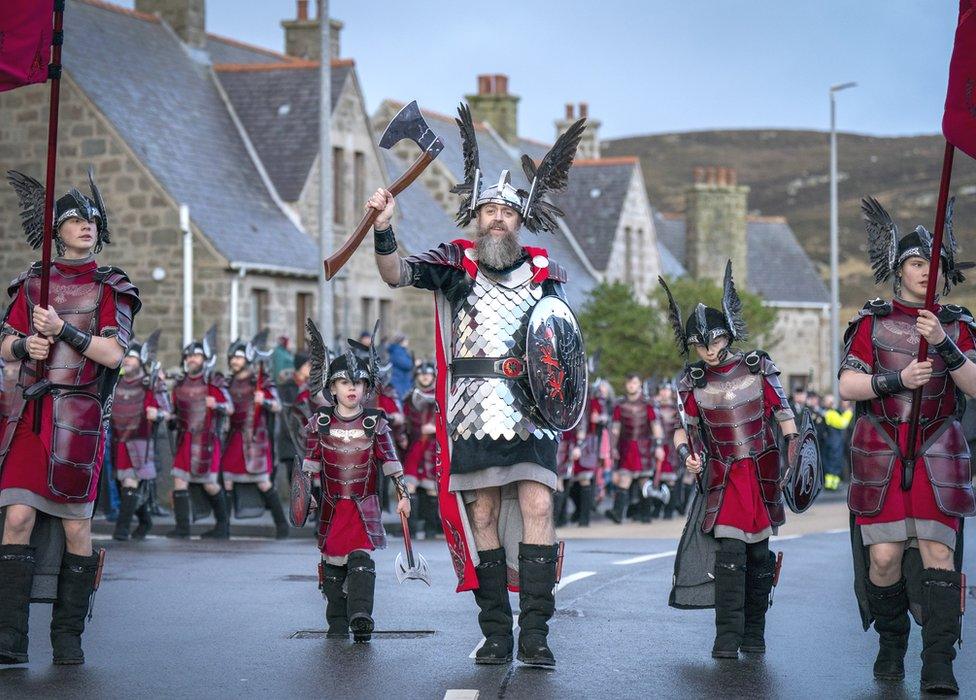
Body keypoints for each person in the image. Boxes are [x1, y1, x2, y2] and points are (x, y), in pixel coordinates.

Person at [368, 103, 586, 667]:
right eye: (489, 210)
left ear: (520, 221)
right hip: (472, 414)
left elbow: (562, 349)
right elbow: (395, 275)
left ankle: (536, 635)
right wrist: (385, 226)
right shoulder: (455, 268)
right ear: (475, 215)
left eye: (506, 214)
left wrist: (563, 404)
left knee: (538, 504)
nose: (497, 220)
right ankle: (497, 633)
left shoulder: (545, 277)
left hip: (532, 414)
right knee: (482, 516)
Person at [0, 169, 140, 665]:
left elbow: (113, 354)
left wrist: (63, 331)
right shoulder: (33, 281)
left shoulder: (112, 286)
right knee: (16, 516)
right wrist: (25, 343)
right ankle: (10, 639)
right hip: (30, 416)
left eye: (92, 221)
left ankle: (67, 638)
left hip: (78, 420)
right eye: (75, 219)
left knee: (76, 530)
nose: (86, 226)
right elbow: (4, 343)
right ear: (55, 229)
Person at [839, 198, 976, 693]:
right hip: (883, 454)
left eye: (937, 264)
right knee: (884, 559)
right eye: (918, 262)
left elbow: (975, 385)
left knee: (940, 552)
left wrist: (942, 342)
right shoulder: (872, 323)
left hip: (940, 453)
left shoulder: (958, 325)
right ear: (899, 271)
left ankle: (938, 663)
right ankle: (891, 644)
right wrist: (896, 379)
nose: (928, 272)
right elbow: (848, 387)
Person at [662, 263, 798, 659]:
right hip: (722, 476)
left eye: (714, 341)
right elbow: (681, 428)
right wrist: (688, 456)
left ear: (726, 336)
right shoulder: (692, 381)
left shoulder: (758, 367)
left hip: (761, 473)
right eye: (701, 344)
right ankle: (726, 636)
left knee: (758, 556)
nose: (709, 349)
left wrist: (795, 455)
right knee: (730, 555)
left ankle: (754, 633)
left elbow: (784, 416)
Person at [301, 322, 409, 642]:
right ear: (332, 388)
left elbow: (390, 462)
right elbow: (310, 465)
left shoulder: (375, 422)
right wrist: (305, 494)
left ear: (366, 388)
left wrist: (403, 495)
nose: (352, 388)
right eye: (345, 382)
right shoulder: (320, 422)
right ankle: (336, 620)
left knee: (361, 556)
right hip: (332, 506)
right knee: (333, 564)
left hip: (365, 503)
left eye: (359, 383)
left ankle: (361, 615)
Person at [167, 329, 232, 539]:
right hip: (185, 439)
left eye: (196, 355)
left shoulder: (214, 382)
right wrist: (170, 418)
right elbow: (175, 411)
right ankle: (182, 528)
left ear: (205, 359)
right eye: (189, 356)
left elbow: (229, 407)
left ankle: (223, 526)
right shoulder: (179, 384)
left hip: (207, 440)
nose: (192, 359)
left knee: (210, 483)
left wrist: (218, 404)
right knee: (179, 480)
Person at [220, 338, 288, 539]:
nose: (234, 361)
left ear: (248, 359)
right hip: (234, 436)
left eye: (239, 358)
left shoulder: (261, 381)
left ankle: (282, 526)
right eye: (232, 357)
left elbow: (277, 405)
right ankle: (224, 527)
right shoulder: (228, 382)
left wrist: (264, 400)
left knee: (263, 482)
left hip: (256, 438)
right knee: (228, 481)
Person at [110, 333, 170, 541]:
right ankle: (145, 520)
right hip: (119, 441)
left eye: (132, 357)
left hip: (140, 442)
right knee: (123, 484)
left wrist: (158, 414)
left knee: (129, 483)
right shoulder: (116, 381)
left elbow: (167, 411)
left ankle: (121, 531)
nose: (127, 360)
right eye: (126, 357)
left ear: (141, 360)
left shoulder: (150, 384)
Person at [606, 373, 665, 524]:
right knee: (624, 479)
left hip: (643, 447)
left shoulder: (648, 404)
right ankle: (618, 514)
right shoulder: (620, 405)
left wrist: (659, 446)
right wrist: (612, 447)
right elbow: (615, 429)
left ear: (639, 384)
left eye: (634, 382)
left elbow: (656, 426)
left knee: (644, 481)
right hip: (626, 447)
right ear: (626, 385)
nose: (631, 385)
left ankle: (646, 515)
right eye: (629, 383)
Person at [402, 361, 440, 539]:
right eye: (422, 374)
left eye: (428, 374)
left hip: (433, 450)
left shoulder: (441, 395)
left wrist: (436, 429)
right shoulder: (410, 397)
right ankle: (410, 530)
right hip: (415, 447)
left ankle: (430, 530)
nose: (425, 377)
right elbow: (405, 421)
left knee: (432, 489)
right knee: (409, 487)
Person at [821, 394, 852, 491]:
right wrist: (848, 413)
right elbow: (843, 423)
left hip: (833, 441)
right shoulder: (830, 413)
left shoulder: (830, 412)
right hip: (834, 442)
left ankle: (832, 484)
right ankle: (832, 485)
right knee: (834, 462)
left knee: (834, 462)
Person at [387, 333, 414, 400]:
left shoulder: (400, 351)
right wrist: (413, 362)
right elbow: (407, 365)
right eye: (406, 340)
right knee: (402, 400)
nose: (407, 342)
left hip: (402, 380)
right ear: (401, 341)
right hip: (399, 381)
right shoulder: (397, 352)